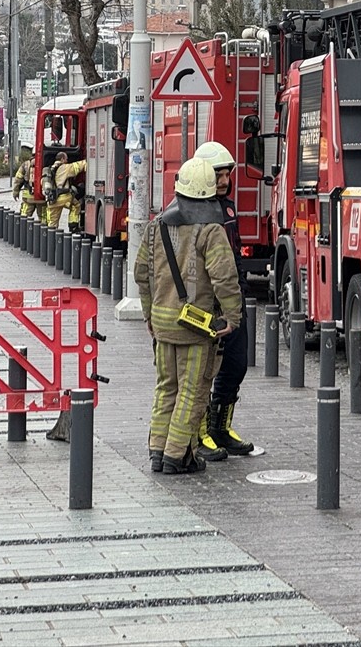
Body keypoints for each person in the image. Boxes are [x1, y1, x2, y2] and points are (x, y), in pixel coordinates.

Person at [135, 156, 242, 475]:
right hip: (195, 326)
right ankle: (177, 455)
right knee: (192, 392)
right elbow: (224, 277)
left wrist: (149, 316)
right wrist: (232, 317)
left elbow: (142, 273)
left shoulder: (157, 225)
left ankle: (157, 450)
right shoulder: (211, 229)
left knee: (166, 387)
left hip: (162, 322)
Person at [193, 141, 255, 460]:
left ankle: (221, 426)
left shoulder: (228, 208)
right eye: (218, 174)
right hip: (207, 307)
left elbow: (235, 252)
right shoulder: (196, 213)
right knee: (204, 371)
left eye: (227, 173)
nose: (224, 180)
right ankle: (201, 433)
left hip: (233, 302)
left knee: (235, 366)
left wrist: (241, 291)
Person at [46, 151, 87, 231]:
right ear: (62, 159)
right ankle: (73, 226)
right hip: (64, 196)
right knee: (76, 205)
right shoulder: (64, 167)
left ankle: (50, 236)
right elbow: (77, 167)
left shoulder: (50, 169)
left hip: (53, 199)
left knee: (52, 222)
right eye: (66, 159)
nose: (67, 161)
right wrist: (87, 161)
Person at [12, 144, 37, 218]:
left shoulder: (26, 164)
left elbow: (18, 179)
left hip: (28, 196)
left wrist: (16, 192)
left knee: (24, 218)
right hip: (41, 197)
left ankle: (22, 229)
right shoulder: (46, 163)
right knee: (44, 220)